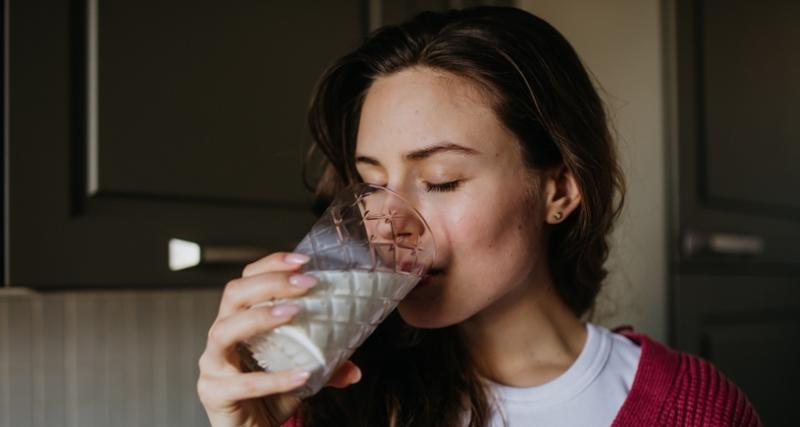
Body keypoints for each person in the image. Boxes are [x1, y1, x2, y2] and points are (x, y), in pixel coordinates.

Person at [197, 6, 762, 427]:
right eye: (371, 184)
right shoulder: (332, 396)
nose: (389, 222)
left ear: (559, 189)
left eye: (441, 179)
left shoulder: (695, 410)